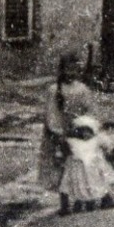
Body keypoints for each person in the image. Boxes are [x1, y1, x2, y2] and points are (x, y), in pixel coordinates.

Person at [41, 55, 92, 192]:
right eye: (68, 69)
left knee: (80, 167)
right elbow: (51, 115)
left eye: (75, 70)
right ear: (61, 70)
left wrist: (85, 127)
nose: (71, 73)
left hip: (79, 132)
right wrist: (59, 133)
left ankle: (80, 198)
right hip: (61, 134)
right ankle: (64, 203)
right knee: (61, 168)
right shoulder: (53, 90)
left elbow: (89, 111)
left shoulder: (82, 89)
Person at [59, 116, 114, 213]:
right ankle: (86, 202)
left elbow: (108, 145)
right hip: (84, 167)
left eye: (87, 131)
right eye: (82, 131)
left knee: (93, 182)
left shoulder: (92, 141)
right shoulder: (73, 142)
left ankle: (93, 201)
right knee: (87, 183)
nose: (85, 134)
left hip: (89, 167)